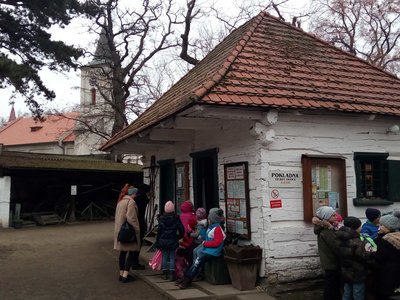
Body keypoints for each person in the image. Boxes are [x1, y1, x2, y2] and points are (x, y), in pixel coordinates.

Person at [178, 207, 226, 289]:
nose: (208, 220)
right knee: (196, 261)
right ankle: (186, 278)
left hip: (213, 252)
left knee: (197, 262)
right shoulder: (211, 227)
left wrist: (205, 243)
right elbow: (206, 237)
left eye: (209, 218)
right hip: (208, 250)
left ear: (213, 219)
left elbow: (216, 243)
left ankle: (187, 279)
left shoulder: (217, 228)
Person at [336, 216, 374, 300]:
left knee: (347, 293)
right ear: (355, 227)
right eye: (360, 226)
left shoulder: (339, 238)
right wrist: (370, 252)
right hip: (357, 272)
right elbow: (363, 256)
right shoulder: (356, 241)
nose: (361, 228)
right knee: (358, 294)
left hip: (345, 270)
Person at [312, 206, 341, 300]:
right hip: (331, 261)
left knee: (332, 282)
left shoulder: (328, 228)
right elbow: (336, 245)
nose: (335, 217)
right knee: (331, 284)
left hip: (329, 261)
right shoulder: (326, 231)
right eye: (333, 215)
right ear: (326, 217)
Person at [114, 185, 141, 283]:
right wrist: (137, 230)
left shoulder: (121, 201)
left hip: (121, 231)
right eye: (136, 194)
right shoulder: (131, 202)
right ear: (133, 193)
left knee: (123, 253)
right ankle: (125, 275)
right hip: (128, 232)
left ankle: (121, 274)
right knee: (132, 252)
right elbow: (131, 218)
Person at [373, 209, 400, 300]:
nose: (378, 226)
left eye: (381, 225)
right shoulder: (397, 236)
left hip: (386, 273)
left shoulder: (385, 240)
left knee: (383, 294)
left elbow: (379, 257)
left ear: (389, 227)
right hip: (396, 272)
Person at [155, 201, 184, 281]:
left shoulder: (161, 219)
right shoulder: (176, 218)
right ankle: (172, 274)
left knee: (164, 256)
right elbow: (182, 230)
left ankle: (164, 273)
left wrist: (158, 242)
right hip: (173, 239)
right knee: (172, 256)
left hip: (163, 240)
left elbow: (159, 232)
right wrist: (178, 237)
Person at [131, 183, 150, 270]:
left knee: (133, 242)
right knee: (138, 243)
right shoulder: (143, 198)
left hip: (133, 222)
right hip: (140, 222)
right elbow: (147, 200)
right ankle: (135, 262)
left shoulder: (134, 199)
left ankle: (132, 261)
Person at [179, 200, 197, 266]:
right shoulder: (192, 216)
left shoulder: (181, 216)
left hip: (182, 238)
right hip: (189, 238)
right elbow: (196, 223)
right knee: (190, 252)